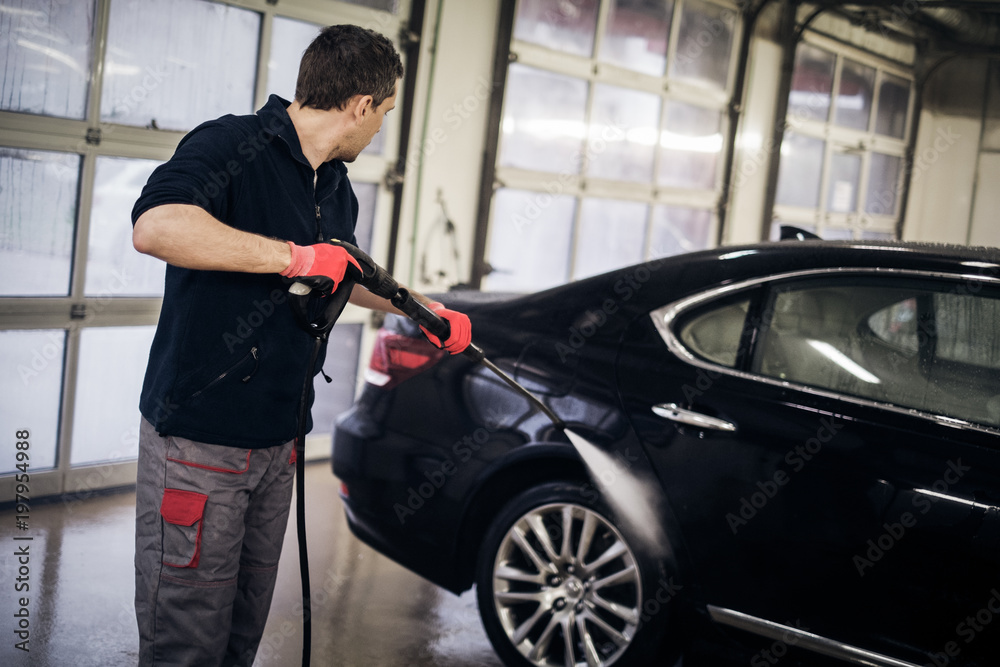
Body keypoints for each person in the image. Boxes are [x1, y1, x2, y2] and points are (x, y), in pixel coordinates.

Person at [130, 24, 471, 666]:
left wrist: (423, 310)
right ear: (362, 105)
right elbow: (157, 227)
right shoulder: (231, 144)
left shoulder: (334, 186)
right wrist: (290, 257)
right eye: (386, 114)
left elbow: (341, 270)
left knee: (240, 631)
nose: (380, 130)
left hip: (278, 441)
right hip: (201, 440)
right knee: (187, 635)